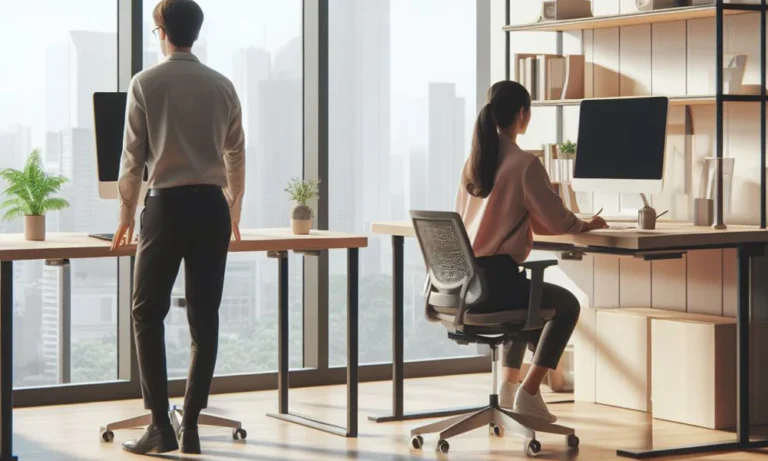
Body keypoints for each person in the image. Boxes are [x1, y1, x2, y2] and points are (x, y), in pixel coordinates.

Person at [111, 0, 245, 455]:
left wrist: (126, 216)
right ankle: (189, 426)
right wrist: (236, 207)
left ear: (163, 28)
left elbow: (132, 160)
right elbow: (236, 153)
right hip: (211, 207)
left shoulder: (145, 83)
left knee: (147, 314)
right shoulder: (222, 85)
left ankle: (158, 426)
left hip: (165, 207)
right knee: (203, 319)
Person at [456, 80, 607, 423]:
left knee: (528, 298)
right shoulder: (523, 163)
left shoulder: (474, 161)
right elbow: (557, 219)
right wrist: (586, 224)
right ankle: (530, 390)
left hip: (464, 286)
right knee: (564, 305)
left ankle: (509, 388)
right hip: (495, 285)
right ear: (522, 115)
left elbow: (502, 217)